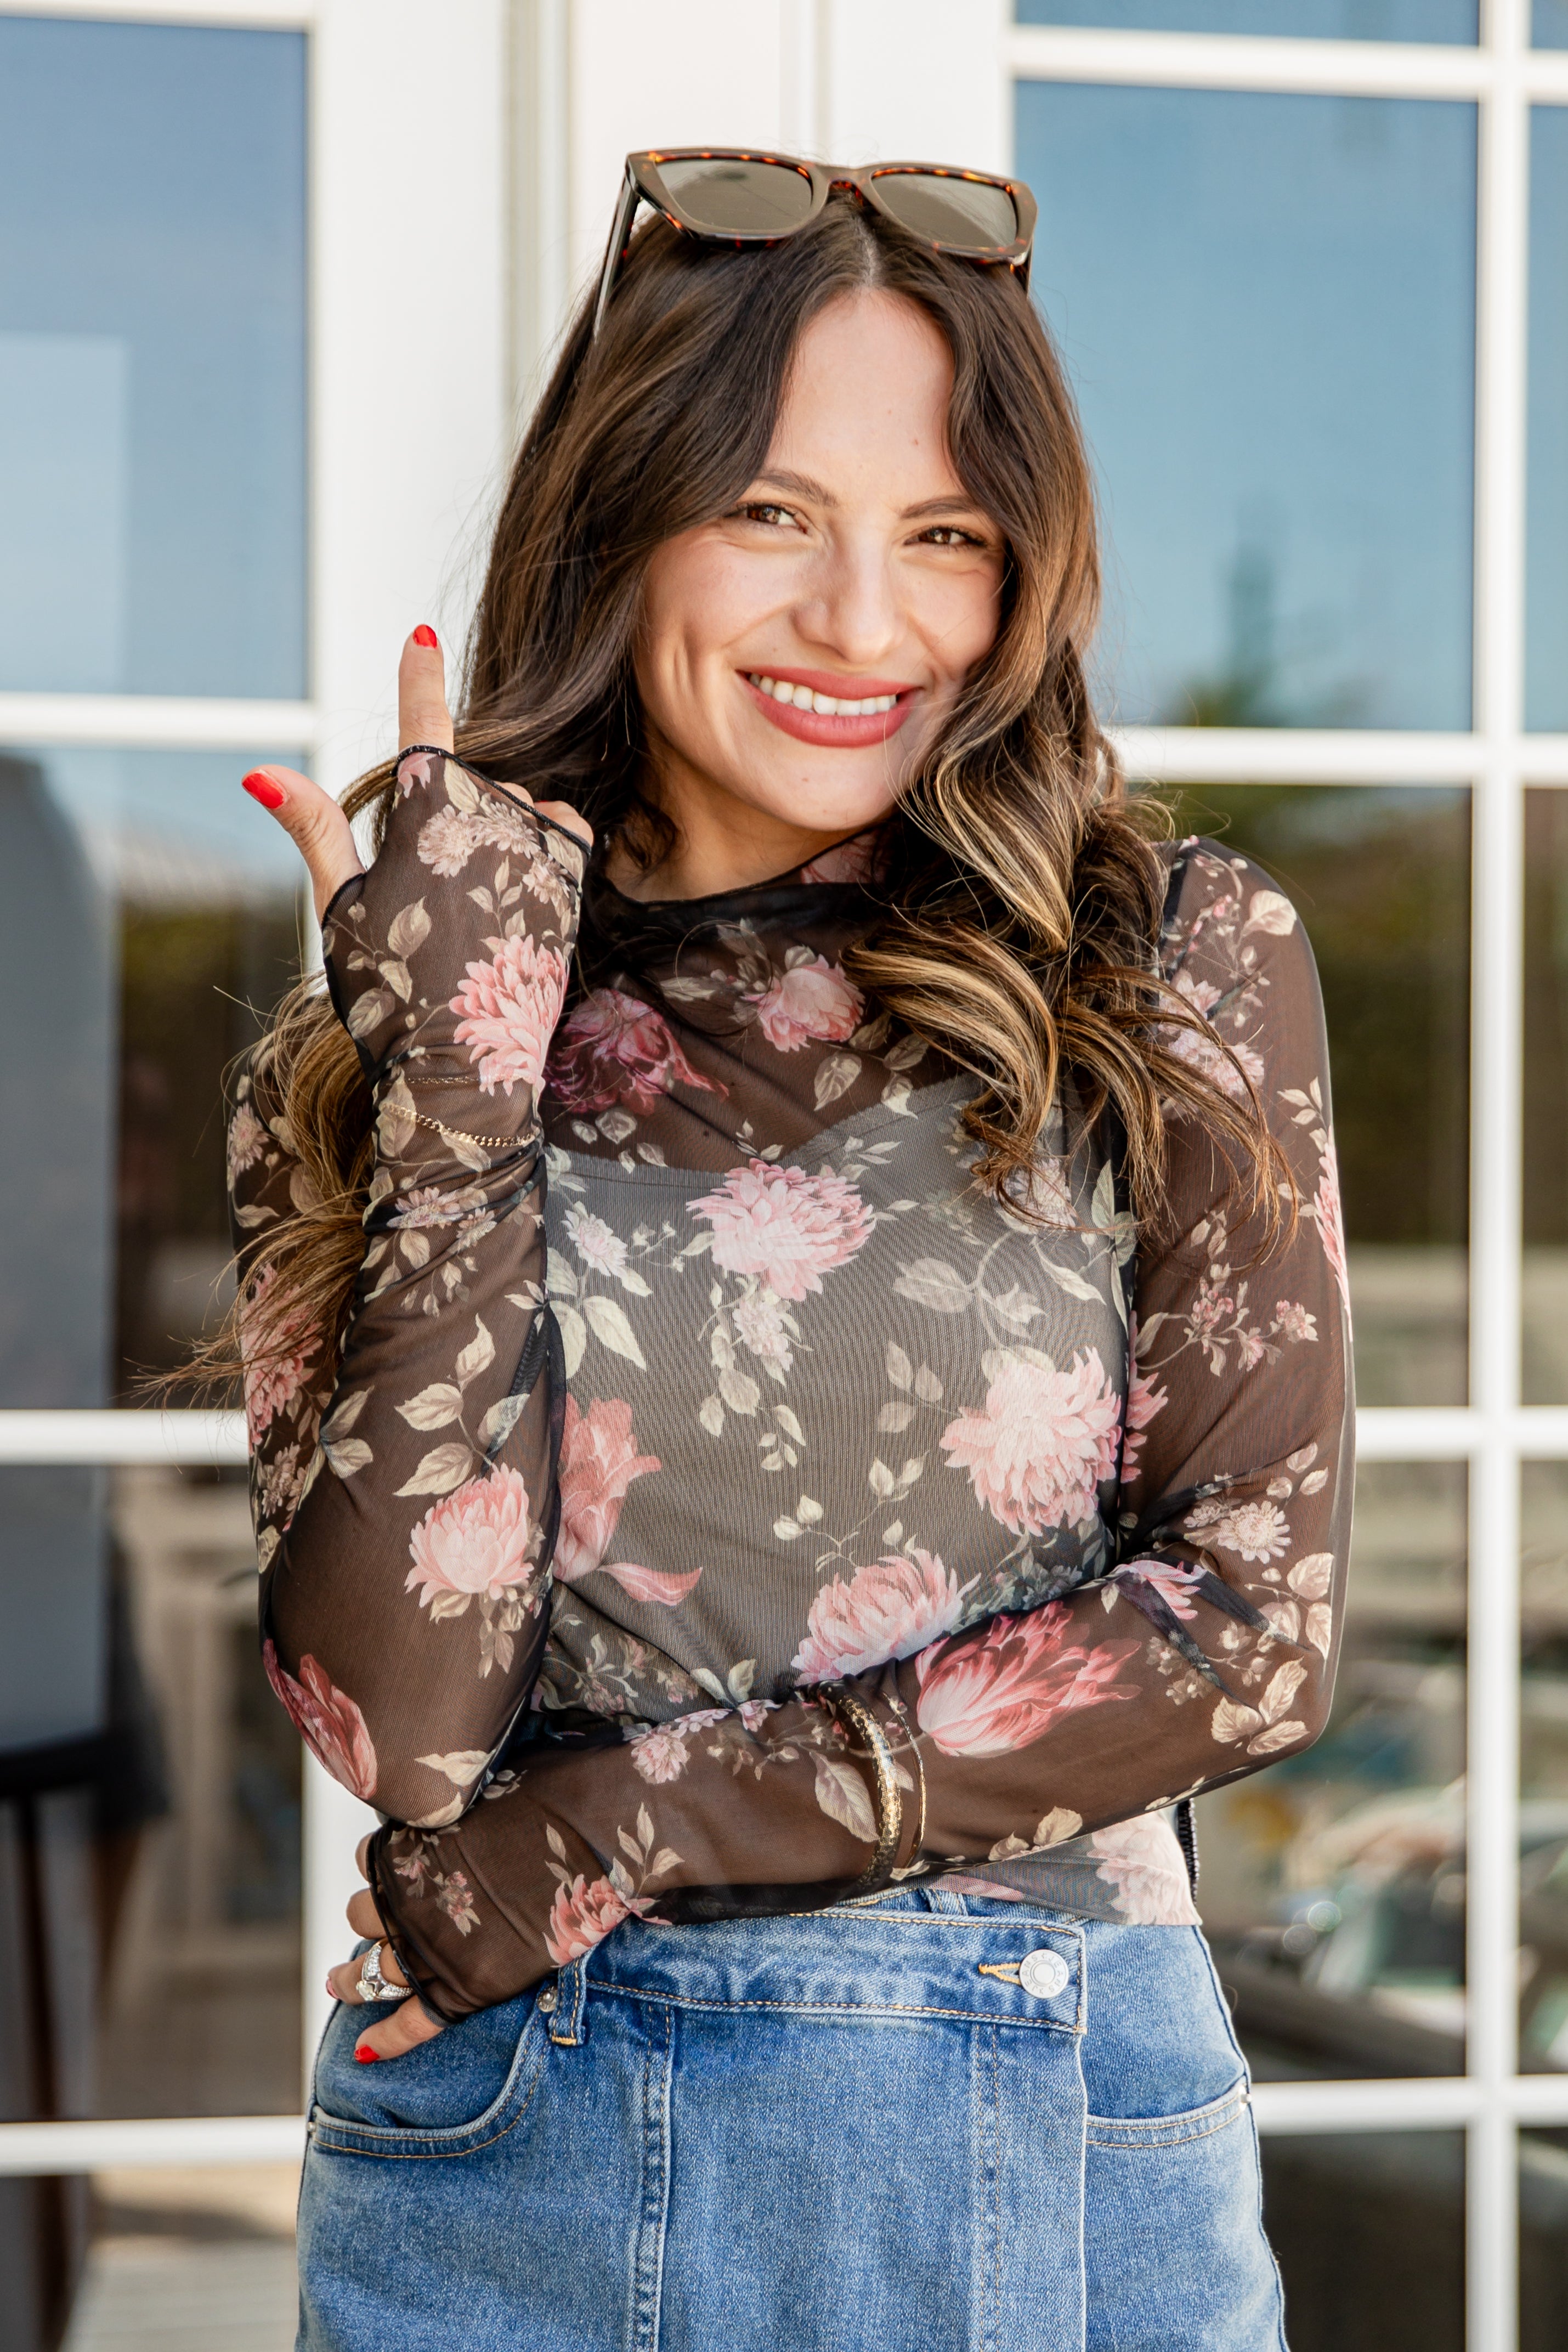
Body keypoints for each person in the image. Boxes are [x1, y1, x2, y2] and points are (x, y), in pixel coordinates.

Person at [227, 151, 1350, 2352]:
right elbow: (405, 1740)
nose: (863, 622)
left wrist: (620, 1831)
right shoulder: (398, 1020)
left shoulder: (1168, 958)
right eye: (769, 511)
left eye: (945, 534)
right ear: (621, 517)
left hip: (1049, 2111)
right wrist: (459, 1081)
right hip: (519, 2152)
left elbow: (1251, 1631)